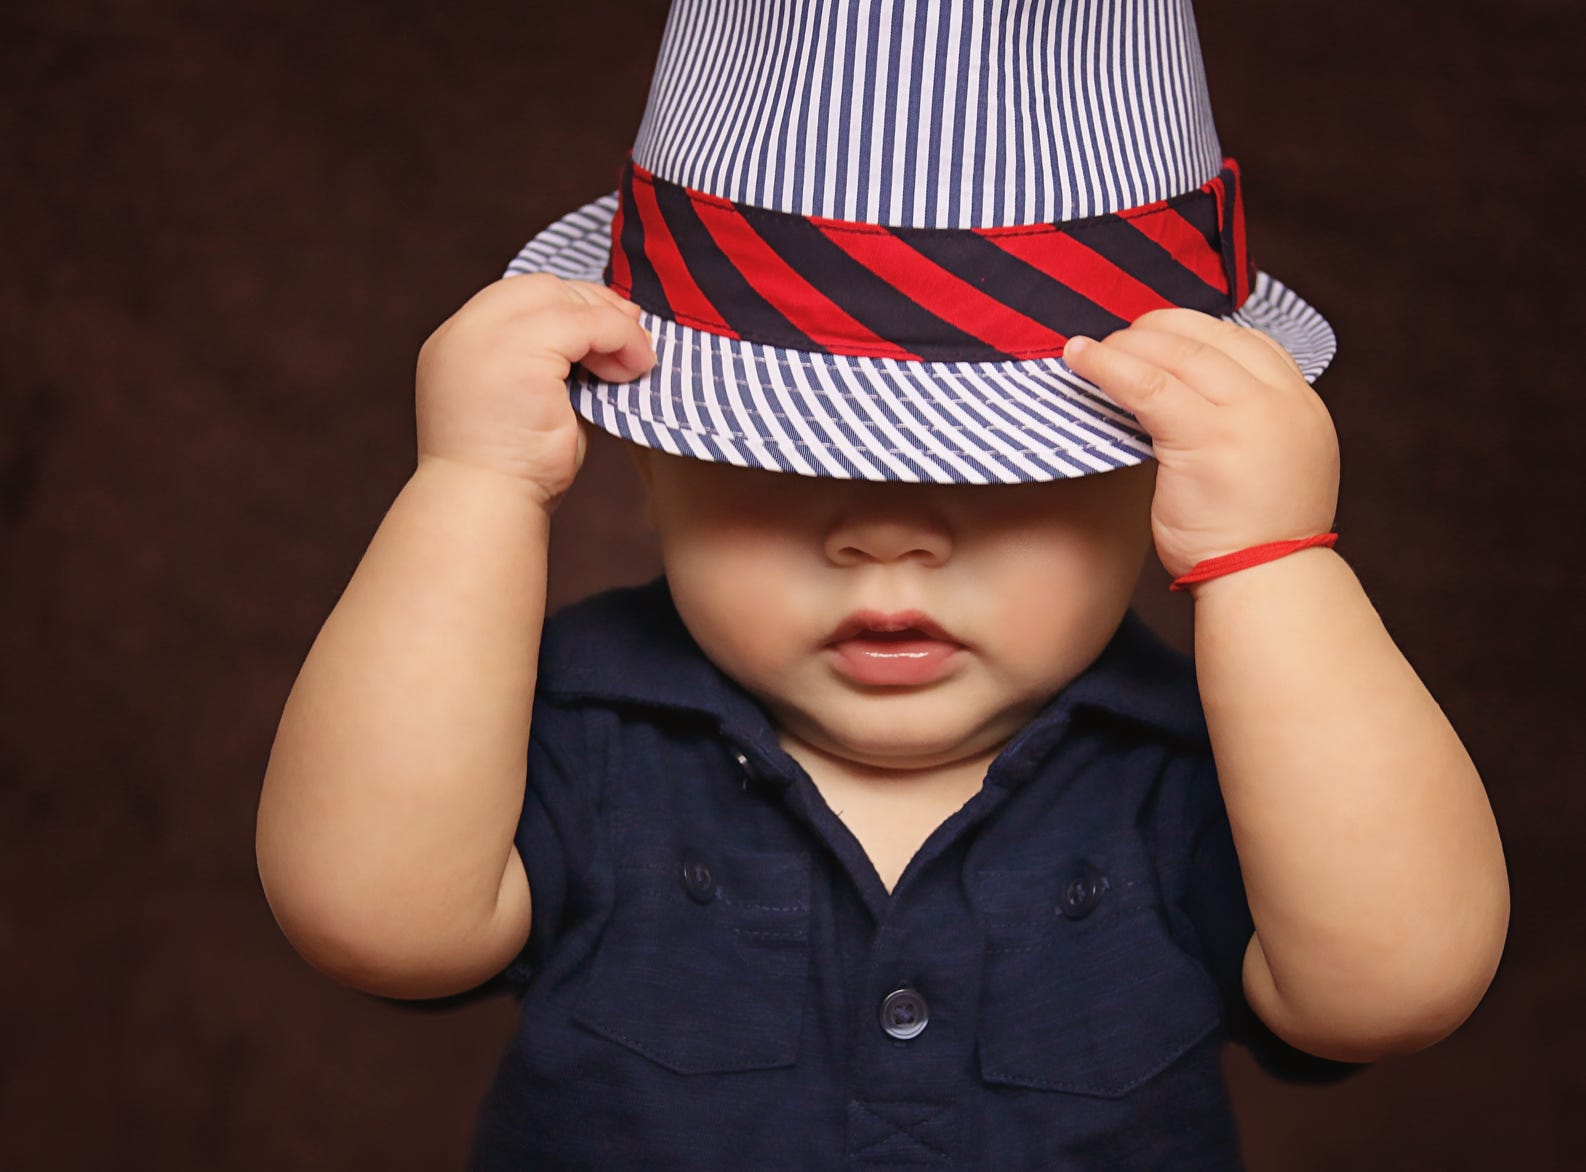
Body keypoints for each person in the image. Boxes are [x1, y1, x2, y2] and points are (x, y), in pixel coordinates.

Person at [255, 1, 1509, 1166]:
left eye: (1011, 475)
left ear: (1153, 487)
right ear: (650, 462)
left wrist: (1273, 564)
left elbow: (1394, 986)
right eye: (784, 458)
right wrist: (469, 488)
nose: (886, 534)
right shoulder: (584, 737)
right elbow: (373, 916)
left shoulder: (1214, 768)